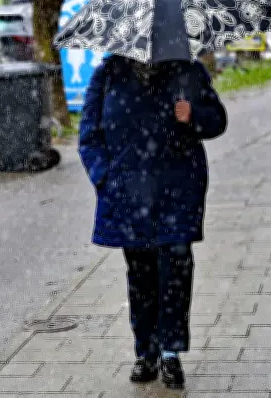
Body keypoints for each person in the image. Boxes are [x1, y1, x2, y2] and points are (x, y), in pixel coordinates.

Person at [78, 55, 227, 389]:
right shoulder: (109, 74)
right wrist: (106, 177)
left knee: (175, 265)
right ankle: (146, 350)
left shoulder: (188, 70)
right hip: (129, 193)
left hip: (177, 190)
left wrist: (194, 117)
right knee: (141, 272)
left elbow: (217, 120)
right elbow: (88, 135)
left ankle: (171, 352)